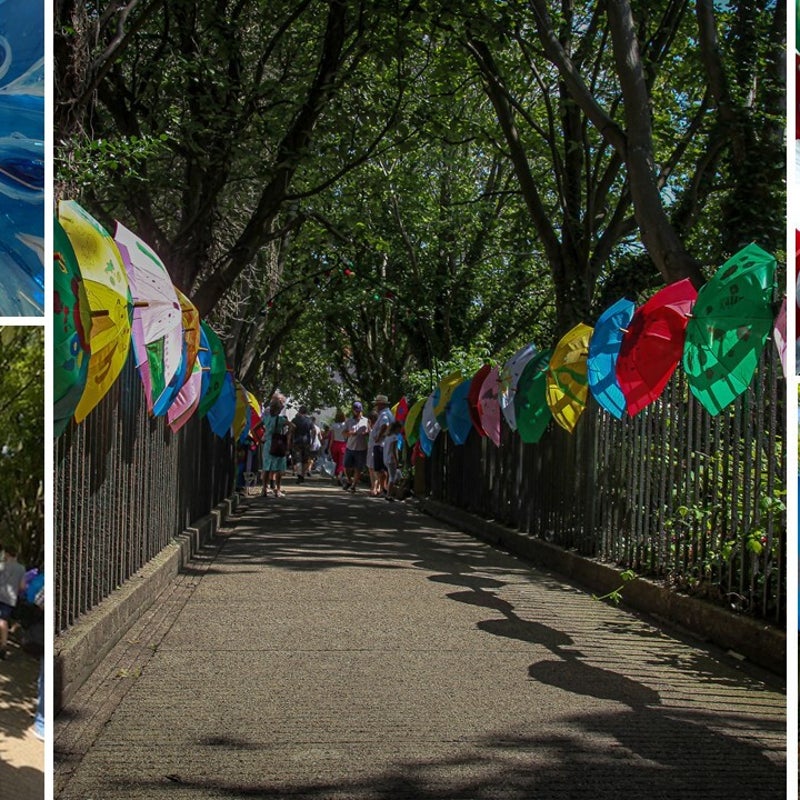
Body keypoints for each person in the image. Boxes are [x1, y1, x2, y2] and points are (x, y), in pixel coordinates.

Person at [261, 394, 292, 497]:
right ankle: (277, 490)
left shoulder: (265, 418)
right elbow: (293, 426)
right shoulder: (281, 419)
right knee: (278, 467)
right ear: (278, 410)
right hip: (277, 443)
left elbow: (254, 428)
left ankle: (264, 489)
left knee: (266, 467)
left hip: (267, 444)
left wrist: (260, 438)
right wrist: (287, 434)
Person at [0, 544, 26, 659]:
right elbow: (22, 586)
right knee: (3, 621)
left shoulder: (1, 565)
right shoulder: (21, 568)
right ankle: (3, 646)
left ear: (6, 554)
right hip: (10, 598)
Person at [342, 401, 370, 492]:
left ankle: (354, 485)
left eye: (359, 411)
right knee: (346, 466)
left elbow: (370, 431)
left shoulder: (366, 421)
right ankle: (349, 480)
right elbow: (344, 433)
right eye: (356, 411)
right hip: (350, 447)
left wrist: (366, 433)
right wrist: (350, 433)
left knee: (358, 467)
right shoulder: (349, 421)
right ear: (353, 411)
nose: (358, 412)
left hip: (361, 448)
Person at [371, 394, 395, 497]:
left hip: (381, 444)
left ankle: (383, 489)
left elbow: (385, 425)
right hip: (384, 444)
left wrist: (378, 437)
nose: (376, 406)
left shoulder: (384, 414)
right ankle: (383, 489)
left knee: (380, 468)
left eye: (377, 404)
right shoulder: (387, 413)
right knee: (383, 468)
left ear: (381, 404)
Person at [382, 420, 403, 501]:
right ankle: (388, 494)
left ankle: (388, 492)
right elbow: (394, 450)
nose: (400, 431)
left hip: (386, 458)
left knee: (391, 476)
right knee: (392, 478)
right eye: (400, 429)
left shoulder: (388, 437)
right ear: (396, 428)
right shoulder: (394, 437)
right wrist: (397, 460)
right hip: (391, 459)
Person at [291, 406, 314, 482]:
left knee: (298, 459)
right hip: (306, 442)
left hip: (297, 441)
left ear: (299, 411)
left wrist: (290, 440)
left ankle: (299, 474)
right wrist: (312, 440)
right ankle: (302, 475)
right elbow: (313, 431)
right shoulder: (309, 420)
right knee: (305, 460)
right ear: (306, 412)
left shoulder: (295, 420)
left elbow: (291, 430)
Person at [329, 409, 348, 483]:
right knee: (341, 462)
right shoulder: (345, 425)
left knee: (335, 462)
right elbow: (346, 437)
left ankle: (336, 476)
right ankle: (340, 475)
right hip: (343, 444)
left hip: (335, 444)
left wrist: (329, 447)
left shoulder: (333, 425)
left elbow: (332, 437)